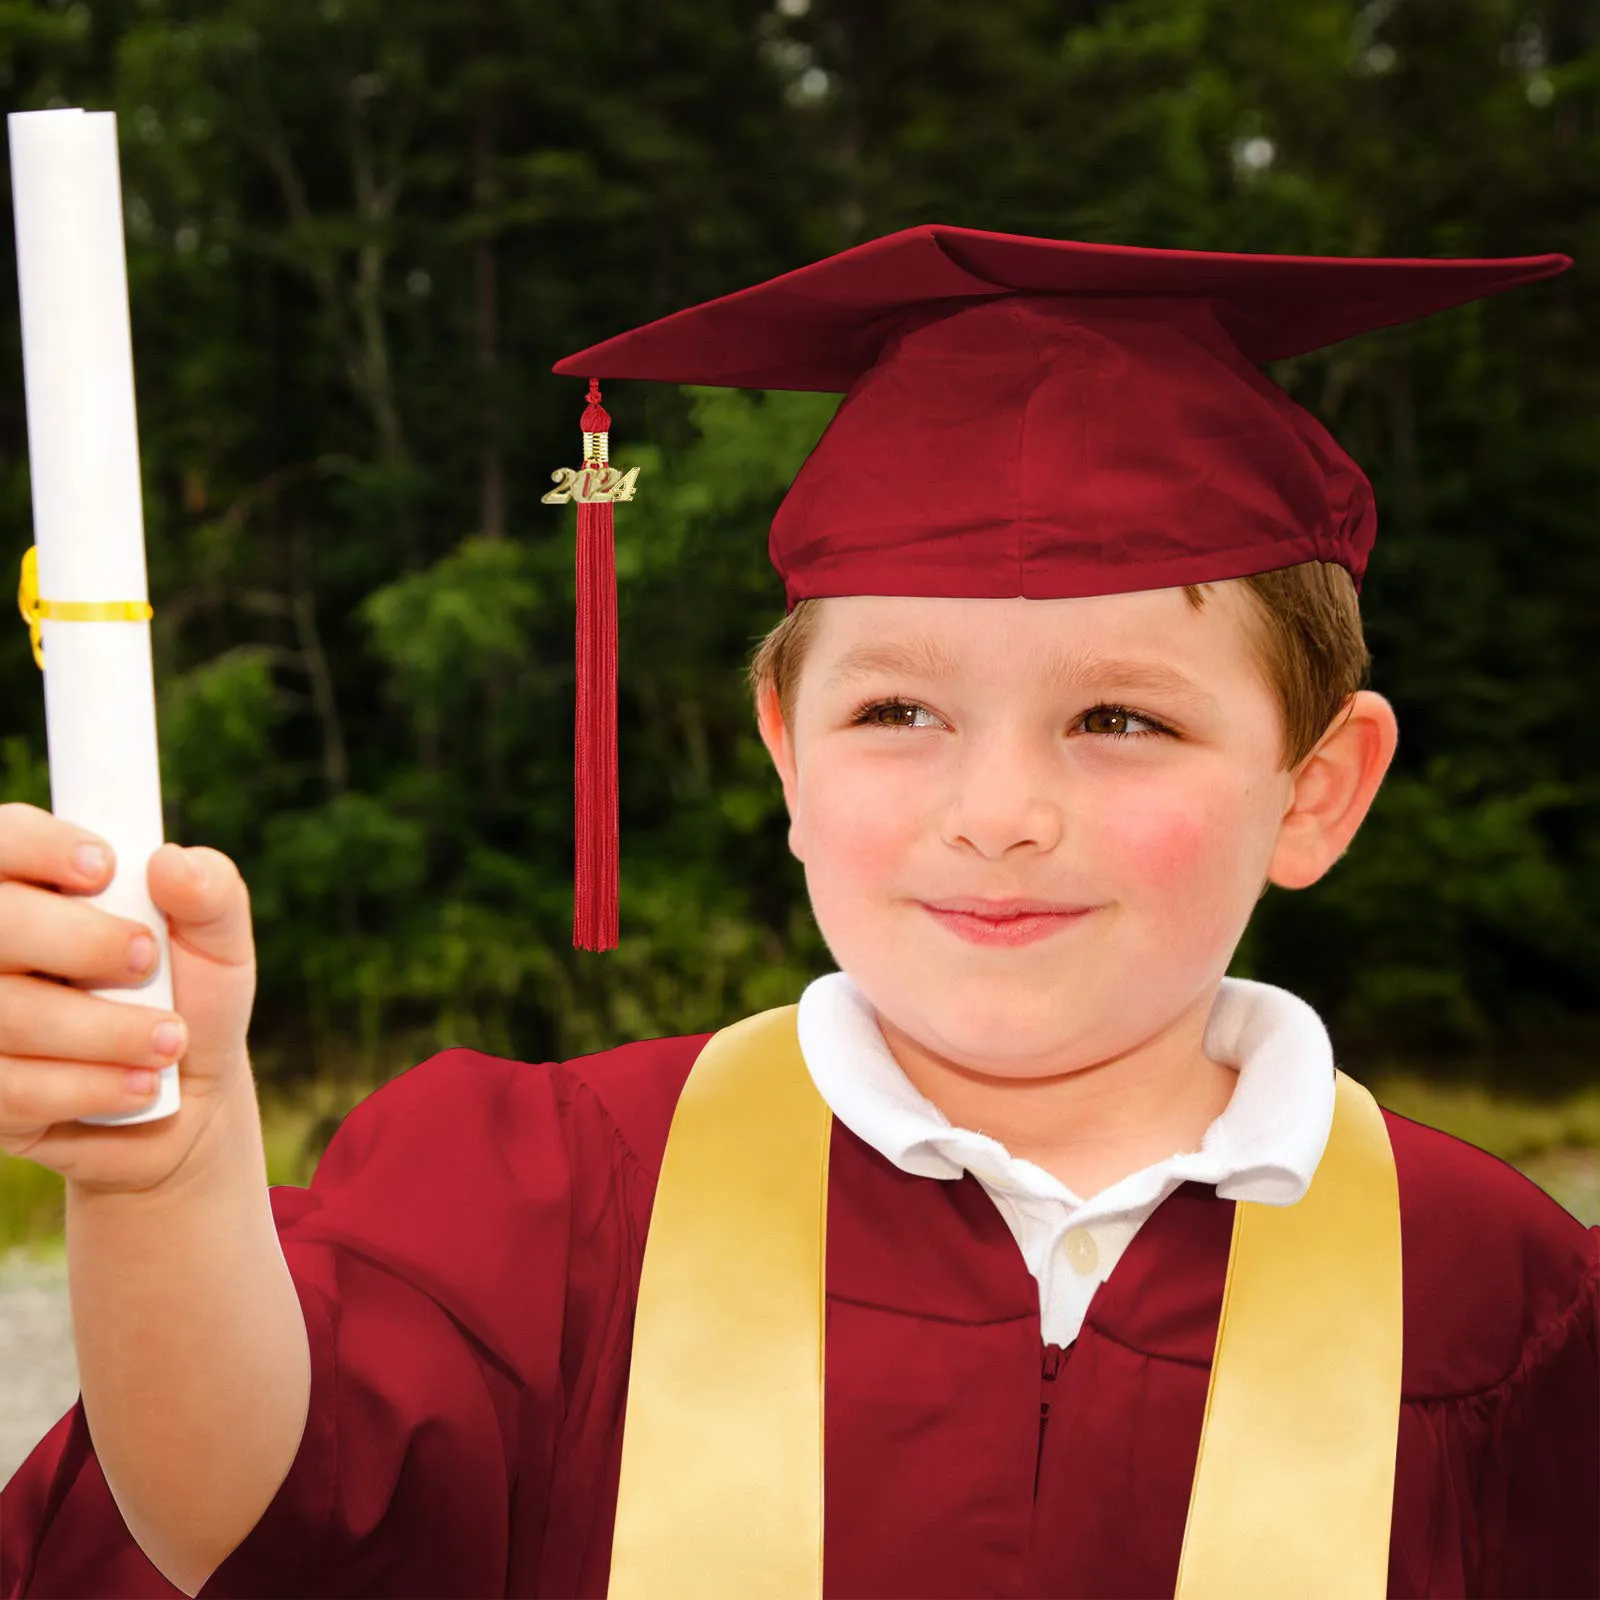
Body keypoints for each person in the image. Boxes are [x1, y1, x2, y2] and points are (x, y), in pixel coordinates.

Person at [2, 226, 1596, 1600]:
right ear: (783, 752)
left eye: (1123, 722)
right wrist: (167, 1164)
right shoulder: (551, 1198)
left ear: (1318, 788)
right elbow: (260, 1529)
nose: (996, 811)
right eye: (897, 711)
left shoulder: (1500, 1299)